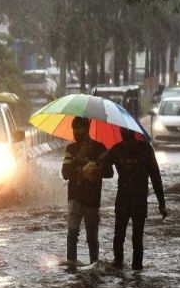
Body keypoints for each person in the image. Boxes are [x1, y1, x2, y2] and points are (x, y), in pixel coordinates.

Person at [103, 127, 168, 270]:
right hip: (123, 200)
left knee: (136, 237)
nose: (125, 135)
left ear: (133, 133)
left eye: (126, 132)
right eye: (122, 132)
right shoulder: (117, 149)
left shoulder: (145, 149)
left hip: (138, 201)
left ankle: (136, 268)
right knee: (119, 236)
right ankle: (119, 264)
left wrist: (161, 203)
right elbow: (103, 166)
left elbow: (155, 176)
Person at [61, 116, 113, 267]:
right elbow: (65, 173)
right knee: (72, 233)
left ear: (86, 130)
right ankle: (71, 264)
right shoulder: (71, 149)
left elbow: (109, 172)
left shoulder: (99, 148)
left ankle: (94, 264)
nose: (76, 134)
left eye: (79, 130)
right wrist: (79, 157)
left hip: (92, 198)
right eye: (74, 130)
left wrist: (97, 168)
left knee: (92, 235)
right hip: (75, 197)